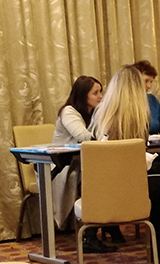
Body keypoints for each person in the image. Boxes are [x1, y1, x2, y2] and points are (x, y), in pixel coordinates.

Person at [89, 66, 160, 264]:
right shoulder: (139, 117)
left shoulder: (102, 114)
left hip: (103, 186)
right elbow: (137, 160)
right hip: (128, 185)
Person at [51, 75, 119, 254]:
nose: (100, 96)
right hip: (63, 167)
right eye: (95, 93)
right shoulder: (69, 112)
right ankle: (90, 236)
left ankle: (110, 223)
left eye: (101, 92)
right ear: (83, 95)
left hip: (84, 165)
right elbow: (84, 137)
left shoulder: (93, 113)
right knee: (97, 182)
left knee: (113, 175)